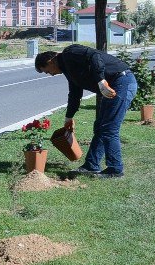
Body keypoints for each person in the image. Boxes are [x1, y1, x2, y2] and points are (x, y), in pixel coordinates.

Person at [35, 45, 137, 178]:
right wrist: (69, 117)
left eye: (47, 71)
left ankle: (115, 169)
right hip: (115, 84)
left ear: (50, 61)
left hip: (121, 81)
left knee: (109, 128)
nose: (51, 74)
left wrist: (101, 80)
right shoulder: (68, 70)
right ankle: (91, 165)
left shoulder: (69, 52)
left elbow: (94, 56)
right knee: (100, 127)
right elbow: (75, 93)